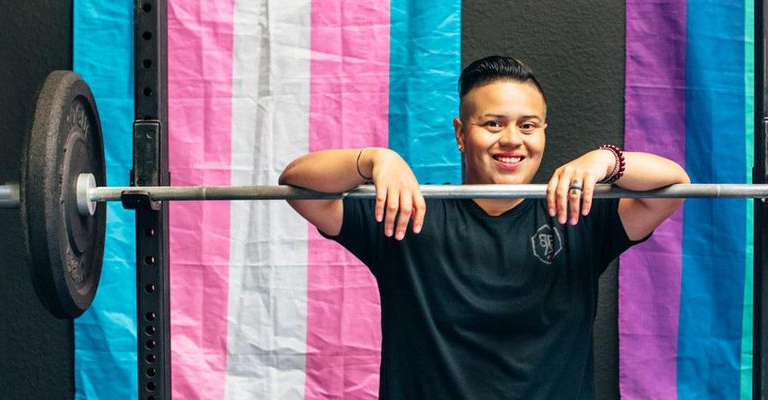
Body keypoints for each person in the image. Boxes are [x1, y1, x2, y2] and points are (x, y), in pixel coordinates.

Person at [279, 55, 689, 399]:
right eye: (493, 124)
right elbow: (298, 184)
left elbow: (672, 188)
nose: (512, 140)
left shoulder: (576, 213)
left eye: (528, 126)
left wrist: (607, 160)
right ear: (461, 133)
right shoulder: (406, 211)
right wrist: (373, 160)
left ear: (543, 133)